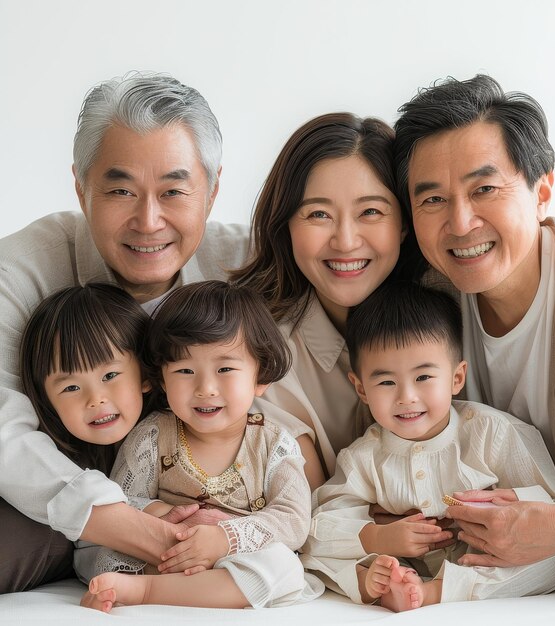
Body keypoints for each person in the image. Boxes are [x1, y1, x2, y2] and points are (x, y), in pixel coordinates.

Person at [0, 72, 249, 592]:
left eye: (174, 190)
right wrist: (142, 531)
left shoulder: (245, 268)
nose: (149, 220)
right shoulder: (22, 268)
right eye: (120, 190)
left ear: (213, 189)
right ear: (80, 188)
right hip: (53, 510)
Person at [393, 74, 555, 594]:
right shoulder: (427, 297)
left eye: (484, 190)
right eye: (432, 200)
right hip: (482, 547)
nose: (460, 221)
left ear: (541, 191)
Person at [300, 282, 555, 611]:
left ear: (456, 378)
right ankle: (383, 583)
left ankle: (436, 591)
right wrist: (378, 538)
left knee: (554, 558)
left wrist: (507, 508)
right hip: (403, 564)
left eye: (424, 377)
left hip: (488, 560)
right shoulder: (362, 459)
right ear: (361, 389)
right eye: (386, 382)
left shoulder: (493, 433)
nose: (406, 397)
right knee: (317, 553)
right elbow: (318, 529)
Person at [80, 280, 324, 612]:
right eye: (184, 370)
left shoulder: (274, 444)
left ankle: (146, 590)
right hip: (165, 551)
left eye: (225, 369)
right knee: (103, 551)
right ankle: (160, 582)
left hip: (234, 559)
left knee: (284, 568)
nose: (205, 388)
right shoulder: (152, 436)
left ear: (260, 377)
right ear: (163, 381)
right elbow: (122, 502)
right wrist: (165, 518)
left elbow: (294, 520)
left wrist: (225, 538)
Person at [232, 112, 426, 488]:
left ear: (404, 222)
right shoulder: (257, 357)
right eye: (318, 214)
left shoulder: (457, 314)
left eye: (370, 211)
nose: (345, 241)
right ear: (285, 225)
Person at [20, 283, 150, 476]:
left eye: (110, 376)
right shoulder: (50, 468)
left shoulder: (180, 439)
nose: (96, 399)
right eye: (71, 387)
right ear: (46, 400)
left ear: (145, 374)